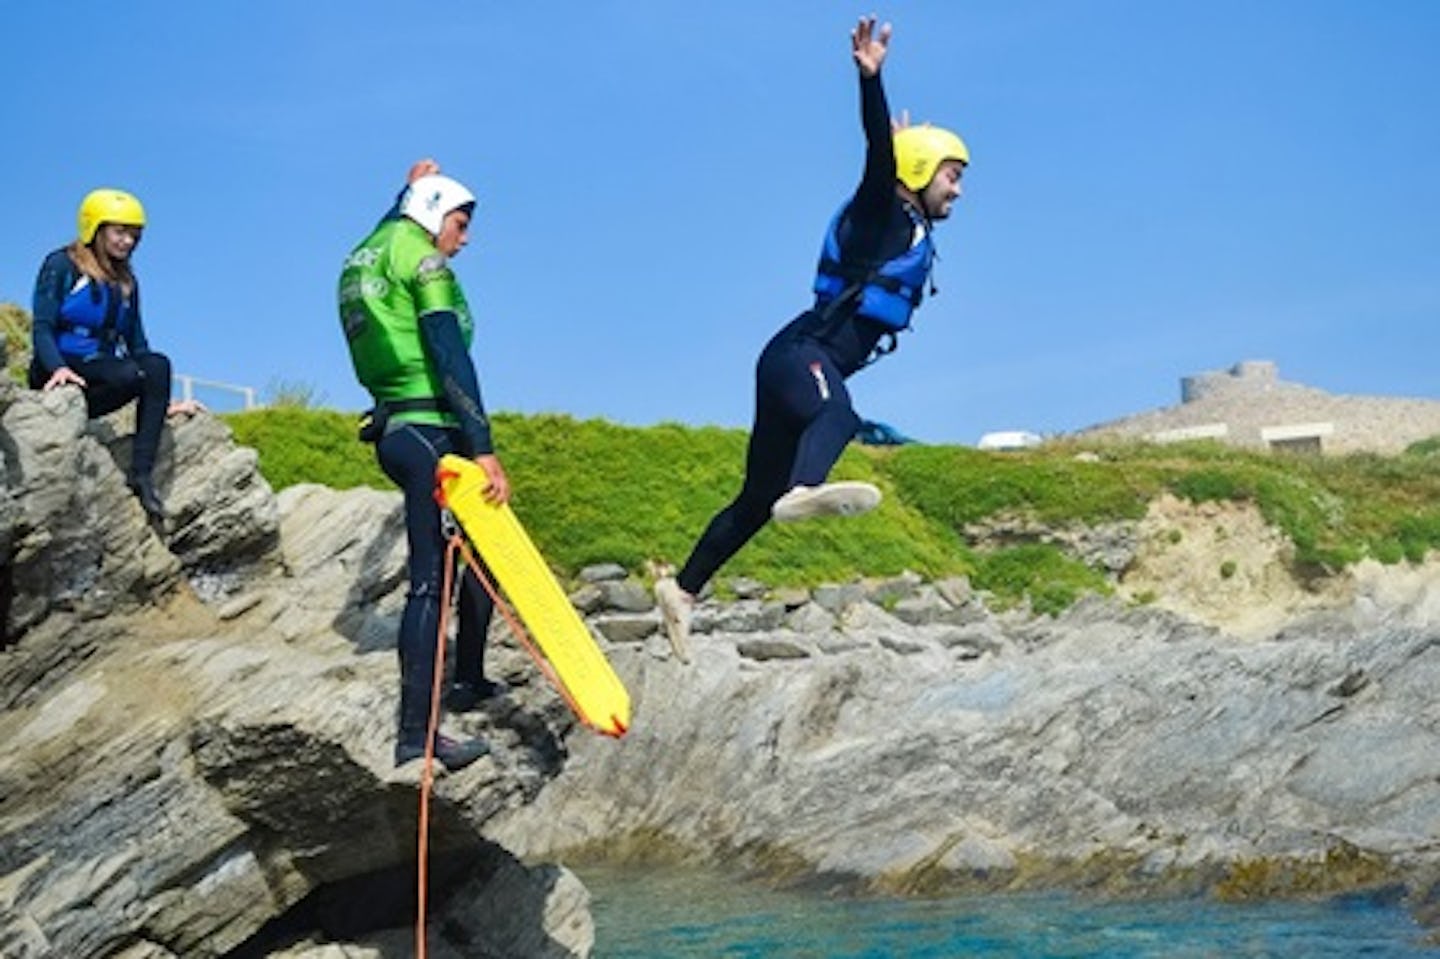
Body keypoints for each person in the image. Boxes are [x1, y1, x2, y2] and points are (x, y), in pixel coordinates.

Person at [655, 17, 968, 651]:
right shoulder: (880, 212)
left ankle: (682, 590)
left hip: (790, 361)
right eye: (951, 175)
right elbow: (879, 160)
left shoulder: (904, 228)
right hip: (802, 357)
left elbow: (893, 165)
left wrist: (901, 147)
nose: (958, 189)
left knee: (753, 500)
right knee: (837, 418)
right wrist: (871, 83)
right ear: (918, 171)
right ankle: (805, 489)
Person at [339, 159, 511, 772]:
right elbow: (450, 358)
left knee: (475, 561)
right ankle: (418, 734)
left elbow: (398, 219)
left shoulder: (371, 248)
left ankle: (467, 680)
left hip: (394, 427)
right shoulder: (427, 263)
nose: (464, 238)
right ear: (435, 216)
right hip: (433, 432)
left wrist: (407, 187)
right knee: (429, 586)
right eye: (460, 223)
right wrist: (482, 444)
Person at [30, 188, 203, 519]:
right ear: (95, 228)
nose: (127, 242)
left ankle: (141, 476)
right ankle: (65, 379)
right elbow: (42, 327)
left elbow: (137, 345)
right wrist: (56, 369)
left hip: (101, 371)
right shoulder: (62, 265)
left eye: (134, 236)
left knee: (156, 365)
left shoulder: (126, 282)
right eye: (120, 233)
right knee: (127, 373)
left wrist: (162, 400)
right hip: (57, 371)